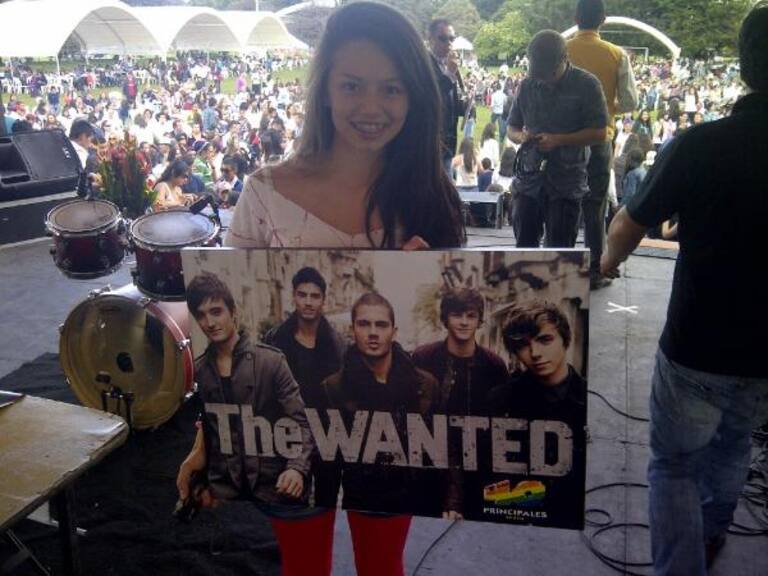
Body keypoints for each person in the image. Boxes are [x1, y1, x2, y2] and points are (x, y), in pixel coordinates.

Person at [223, 3, 465, 574]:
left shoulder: (431, 197)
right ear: (325, 90)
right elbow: (233, 328)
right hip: (288, 433)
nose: (371, 108)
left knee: (382, 564)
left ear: (415, 96)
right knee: (303, 565)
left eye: (392, 88)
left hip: (388, 434)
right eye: (352, 85)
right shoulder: (265, 191)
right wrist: (207, 437)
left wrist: (425, 277)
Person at [600, 5, 768, 574]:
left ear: (744, 65)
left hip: (697, 343)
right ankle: (712, 532)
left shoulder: (702, 144)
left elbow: (629, 222)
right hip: (763, 354)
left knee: (674, 463)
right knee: (735, 443)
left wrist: (608, 263)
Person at [177, 273, 329, 576]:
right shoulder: (202, 369)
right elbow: (213, 424)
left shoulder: (270, 362)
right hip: (243, 494)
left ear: (233, 312)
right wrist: (204, 468)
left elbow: (302, 422)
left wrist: (296, 468)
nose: (210, 322)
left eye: (216, 311)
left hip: (283, 486)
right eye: (201, 315)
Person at [321, 292, 438, 573]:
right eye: (364, 324)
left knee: (387, 562)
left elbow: (439, 449)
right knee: (369, 563)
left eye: (381, 325)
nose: (373, 333)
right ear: (352, 329)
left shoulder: (425, 385)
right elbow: (329, 459)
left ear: (393, 331)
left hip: (406, 495)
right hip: (361, 496)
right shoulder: (333, 387)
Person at [487, 300, 587, 529]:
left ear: (565, 340)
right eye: (523, 345)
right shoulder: (500, 400)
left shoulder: (589, 397)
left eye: (545, 340)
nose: (535, 353)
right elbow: (494, 479)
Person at [506, 30, 608, 248]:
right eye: (538, 75)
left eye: (549, 74)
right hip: (529, 180)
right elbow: (511, 127)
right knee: (523, 248)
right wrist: (522, 137)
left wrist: (558, 140)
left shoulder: (588, 85)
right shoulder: (527, 85)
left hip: (566, 183)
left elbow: (600, 133)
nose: (543, 80)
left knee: (560, 252)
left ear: (564, 59)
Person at [412, 288, 508, 519]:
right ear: (445, 319)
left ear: (479, 320)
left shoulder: (494, 366)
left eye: (471, 316)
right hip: (430, 467)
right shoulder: (423, 358)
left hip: (478, 468)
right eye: (457, 315)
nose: (464, 322)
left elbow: (502, 426)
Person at [566, 0, 638, 289]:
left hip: (565, 140)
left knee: (564, 202)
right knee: (595, 207)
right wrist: (608, 108)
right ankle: (594, 271)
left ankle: (562, 269)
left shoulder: (563, 49)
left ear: (576, 18)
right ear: (603, 20)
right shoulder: (616, 54)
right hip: (600, 138)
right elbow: (631, 101)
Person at [428, 18, 467, 173]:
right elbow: (430, 97)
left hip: (449, 144)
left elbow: (449, 103)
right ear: (430, 39)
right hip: (431, 144)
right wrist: (450, 73)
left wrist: (464, 106)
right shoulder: (424, 64)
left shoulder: (449, 65)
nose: (448, 43)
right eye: (443, 38)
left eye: (451, 39)